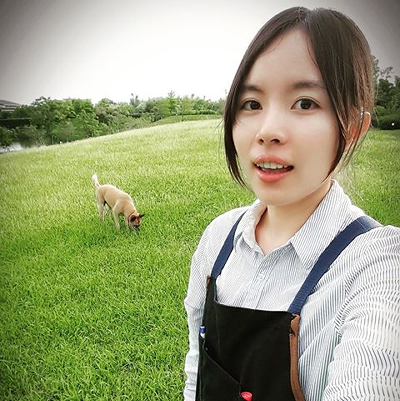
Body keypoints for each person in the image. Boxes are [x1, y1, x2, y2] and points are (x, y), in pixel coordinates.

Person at [183, 6, 400, 401]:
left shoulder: (379, 265)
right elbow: (197, 368)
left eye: (305, 103)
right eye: (252, 104)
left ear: (353, 128)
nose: (267, 131)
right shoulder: (218, 238)